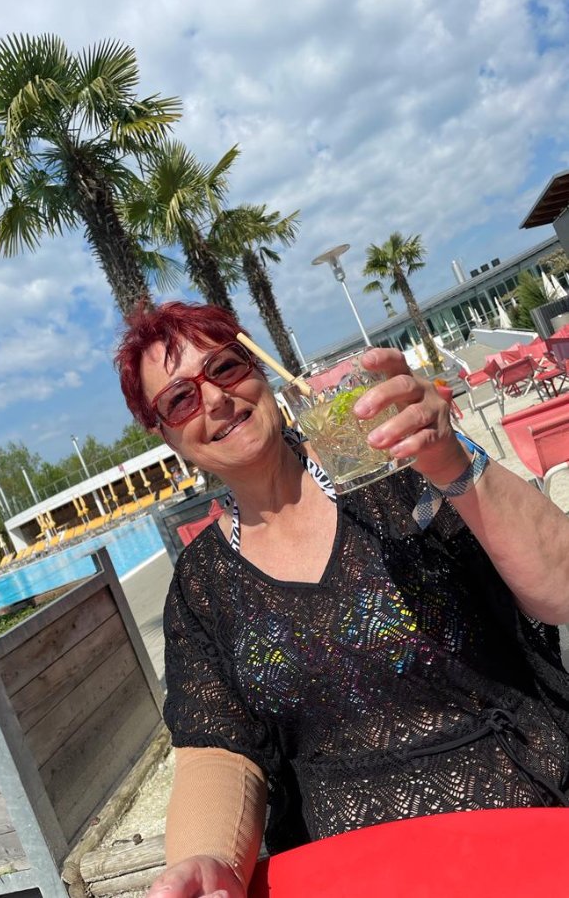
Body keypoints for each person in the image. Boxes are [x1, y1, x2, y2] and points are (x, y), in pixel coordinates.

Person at [116, 301, 569, 898]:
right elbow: (217, 750)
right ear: (166, 434)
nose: (217, 399)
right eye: (181, 399)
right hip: (352, 870)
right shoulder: (202, 584)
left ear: (259, 371)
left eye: (225, 367)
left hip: (524, 828)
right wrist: (209, 857)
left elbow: (560, 591)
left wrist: (453, 462)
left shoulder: (396, 469)